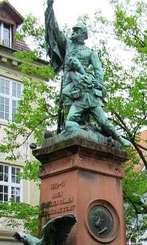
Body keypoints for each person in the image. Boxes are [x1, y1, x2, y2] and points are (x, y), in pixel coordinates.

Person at [44, 0, 129, 146]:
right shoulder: (68, 45)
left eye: (76, 31)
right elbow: (55, 31)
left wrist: (98, 86)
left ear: (83, 34)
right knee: (70, 119)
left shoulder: (90, 53)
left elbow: (98, 72)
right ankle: (76, 132)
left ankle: (101, 134)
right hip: (69, 85)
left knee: (95, 119)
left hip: (85, 87)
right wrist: (49, 9)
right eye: (73, 30)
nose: (73, 33)